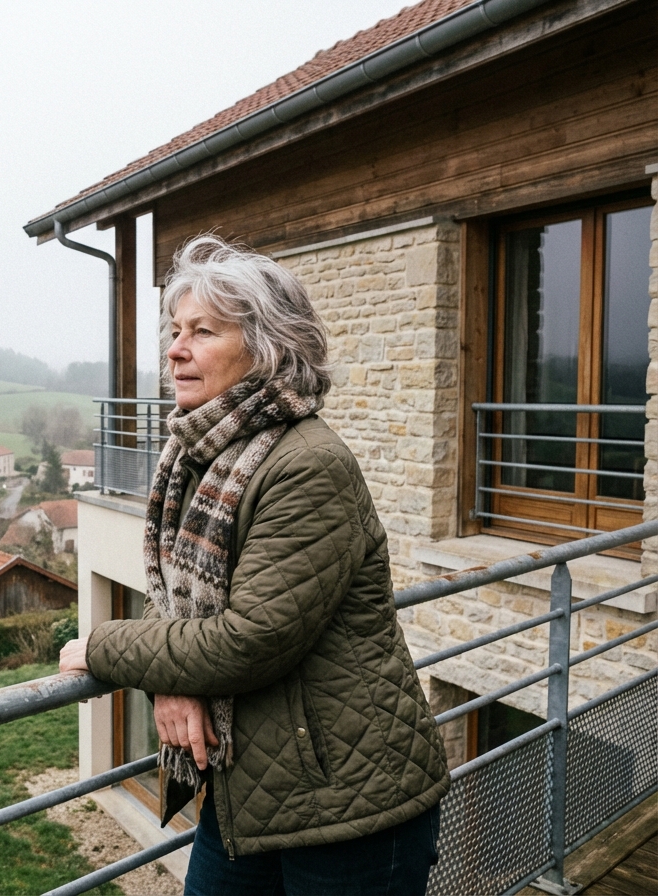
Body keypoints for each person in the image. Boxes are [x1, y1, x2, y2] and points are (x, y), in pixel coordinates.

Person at [59, 235, 449, 895]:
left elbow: (249, 641)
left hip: (349, 805)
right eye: (175, 331)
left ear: (267, 347)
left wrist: (102, 646)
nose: (175, 349)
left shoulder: (307, 465)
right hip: (249, 791)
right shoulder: (197, 454)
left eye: (203, 331)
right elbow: (177, 601)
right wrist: (173, 682)